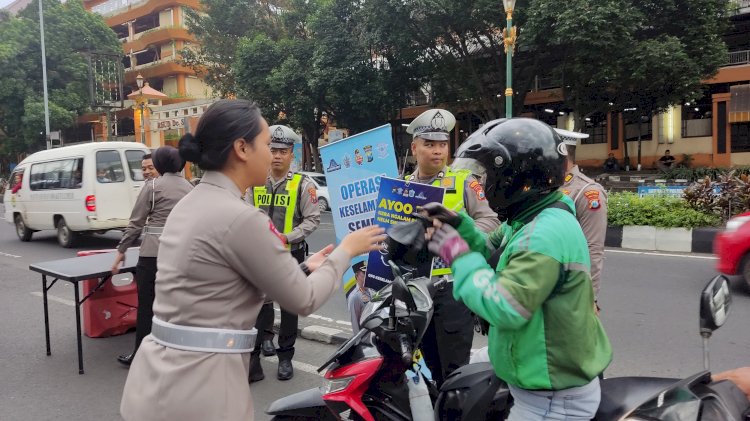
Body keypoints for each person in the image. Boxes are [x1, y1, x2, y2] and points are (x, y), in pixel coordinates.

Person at [120, 99, 385, 421]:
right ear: (242, 148)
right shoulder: (240, 217)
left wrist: (302, 268)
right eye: (264, 144)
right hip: (202, 387)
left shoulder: (192, 203)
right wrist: (347, 250)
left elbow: (220, 286)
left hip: (157, 377)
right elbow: (304, 298)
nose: (271, 154)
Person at [425, 117, 612, 421]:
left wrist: (456, 255)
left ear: (514, 176)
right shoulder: (529, 218)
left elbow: (504, 306)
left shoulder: (543, 235)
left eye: (490, 176)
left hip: (551, 397)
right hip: (536, 367)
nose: (484, 186)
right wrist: (459, 223)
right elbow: (490, 249)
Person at [404, 108, 500, 387]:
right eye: (429, 144)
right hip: (415, 289)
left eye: (442, 144)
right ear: (414, 147)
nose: (437, 151)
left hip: (454, 288)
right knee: (422, 366)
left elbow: (491, 220)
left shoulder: (463, 181)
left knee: (455, 368)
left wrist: (461, 238)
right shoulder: (402, 187)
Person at [246, 124, 320, 382]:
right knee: (257, 305)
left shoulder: (303, 184)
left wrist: (287, 236)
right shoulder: (254, 181)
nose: (277, 155)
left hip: (291, 255)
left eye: (283, 151)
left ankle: (285, 357)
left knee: (289, 308)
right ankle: (259, 348)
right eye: (273, 150)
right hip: (259, 255)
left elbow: (312, 220)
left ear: (292, 154)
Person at [111, 146, 192, 367]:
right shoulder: (190, 188)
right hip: (181, 257)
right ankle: (176, 354)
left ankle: (141, 355)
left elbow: (135, 223)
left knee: (147, 307)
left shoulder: (153, 187)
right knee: (176, 308)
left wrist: (121, 251)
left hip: (152, 257)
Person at [557, 128, 608, 311]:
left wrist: (590, 298)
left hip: (570, 289)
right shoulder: (544, 187)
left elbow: (593, 248)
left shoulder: (586, 191)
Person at [347, 261, 374, 333]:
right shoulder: (355, 296)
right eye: (364, 273)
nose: (367, 276)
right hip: (365, 338)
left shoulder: (372, 291)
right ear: (357, 275)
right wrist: (357, 342)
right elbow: (354, 323)